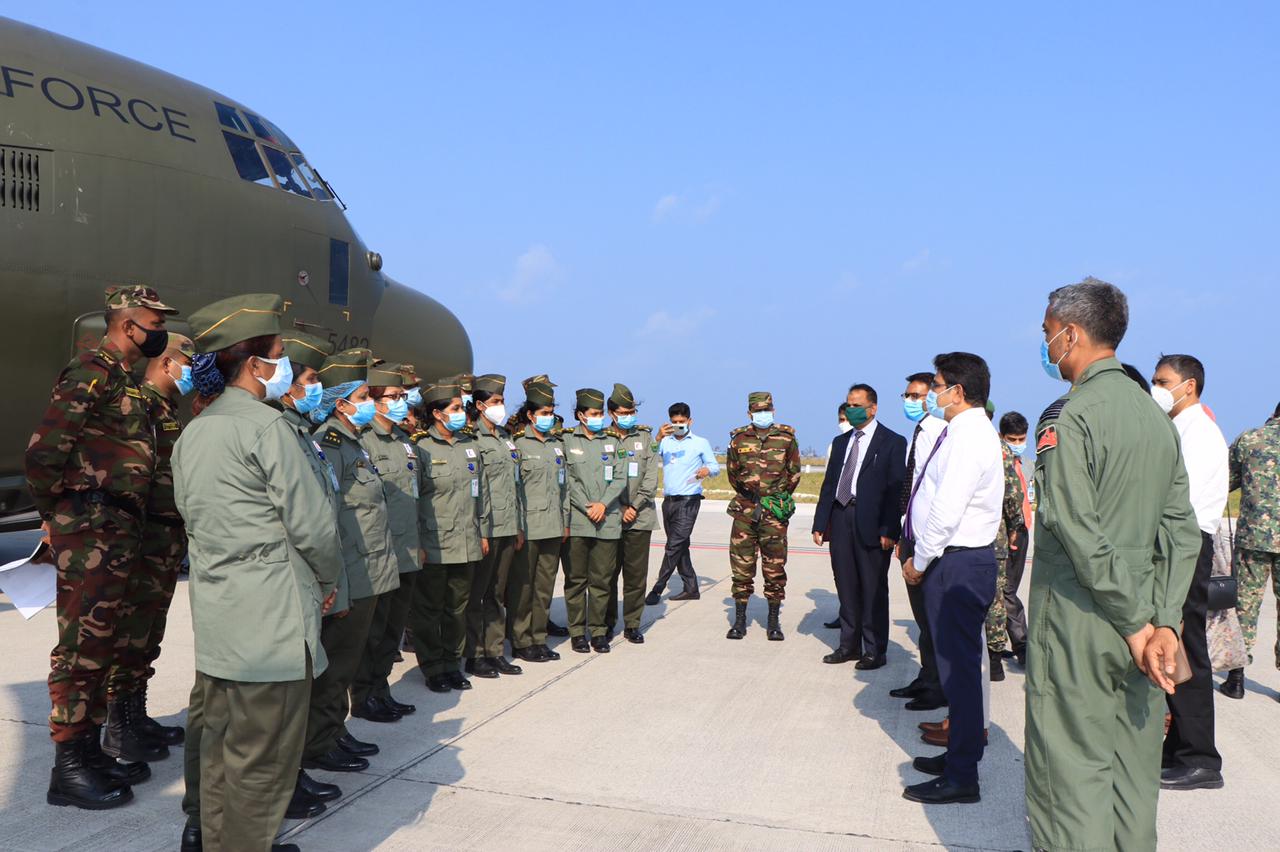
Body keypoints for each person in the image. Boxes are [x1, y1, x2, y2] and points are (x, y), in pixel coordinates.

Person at [1025, 278, 1199, 851]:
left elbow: (1077, 528)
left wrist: (1132, 625)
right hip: (1150, 625)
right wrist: (1165, 624)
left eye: (1047, 333)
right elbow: (1180, 531)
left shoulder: (1070, 417)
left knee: (1070, 781)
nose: (1045, 343)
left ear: (1071, 334)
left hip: (1084, 620)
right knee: (1132, 778)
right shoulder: (1156, 419)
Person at [173, 293, 342, 851]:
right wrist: (327, 580)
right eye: (279, 356)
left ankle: (214, 838)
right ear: (255, 365)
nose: (285, 368)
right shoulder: (268, 430)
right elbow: (313, 526)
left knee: (221, 747)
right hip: (271, 618)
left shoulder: (194, 431)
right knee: (263, 758)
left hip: (221, 613)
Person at [27, 284, 177, 809]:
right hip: (91, 527)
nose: (159, 332)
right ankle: (67, 768)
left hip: (116, 528)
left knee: (102, 646)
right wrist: (60, 516)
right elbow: (45, 452)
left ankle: (89, 754)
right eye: (155, 322)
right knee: (80, 650)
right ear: (129, 324)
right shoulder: (90, 370)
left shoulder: (124, 381)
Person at [899, 353, 1003, 805]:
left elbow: (946, 508)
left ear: (958, 391)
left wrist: (919, 560)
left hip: (957, 561)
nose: (933, 392)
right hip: (955, 559)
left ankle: (962, 777)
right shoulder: (962, 431)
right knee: (955, 668)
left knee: (959, 674)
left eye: (938, 384)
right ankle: (960, 755)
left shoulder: (969, 436)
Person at [302, 350, 399, 775]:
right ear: (341, 403)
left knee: (346, 662)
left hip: (369, 571)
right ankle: (320, 742)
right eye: (362, 396)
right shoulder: (331, 444)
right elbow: (329, 516)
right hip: (349, 574)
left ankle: (334, 731)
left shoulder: (353, 443)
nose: (370, 404)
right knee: (335, 664)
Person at [105, 332, 194, 757]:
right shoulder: (137, 403)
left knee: (148, 634)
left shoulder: (165, 407)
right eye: (187, 363)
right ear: (166, 363)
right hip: (144, 537)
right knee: (130, 635)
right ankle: (120, 729)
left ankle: (136, 717)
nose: (191, 372)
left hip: (165, 537)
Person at [1151, 354, 1227, 790]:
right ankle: (1179, 747)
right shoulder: (1179, 427)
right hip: (1175, 543)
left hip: (1187, 545)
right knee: (1173, 646)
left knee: (1188, 648)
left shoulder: (1200, 434)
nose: (1157, 389)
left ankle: (1201, 759)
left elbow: (1181, 504)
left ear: (1190, 385)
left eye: (1163, 381)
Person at [812, 384, 906, 668]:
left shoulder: (892, 441)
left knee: (873, 588)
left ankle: (874, 650)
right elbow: (829, 486)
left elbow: (895, 490)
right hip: (841, 517)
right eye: (848, 404)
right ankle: (848, 645)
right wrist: (820, 522)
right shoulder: (841, 443)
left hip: (873, 524)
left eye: (856, 404)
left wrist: (890, 530)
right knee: (846, 585)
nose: (851, 409)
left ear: (872, 408)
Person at [351, 361, 423, 720]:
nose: (400, 402)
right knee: (373, 632)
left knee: (393, 629)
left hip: (407, 551)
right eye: (393, 396)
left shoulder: (405, 443)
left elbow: (414, 497)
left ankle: (382, 689)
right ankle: (364, 697)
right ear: (375, 401)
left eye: (402, 396)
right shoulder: (361, 441)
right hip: (378, 553)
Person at [408, 382, 491, 692]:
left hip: (466, 541)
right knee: (430, 609)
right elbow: (413, 500)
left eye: (460, 407)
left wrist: (482, 531)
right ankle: (432, 667)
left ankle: (452, 662)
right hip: (435, 543)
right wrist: (417, 542)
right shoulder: (420, 448)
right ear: (436, 413)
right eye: (455, 408)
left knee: (457, 607)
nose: (460, 413)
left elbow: (480, 493)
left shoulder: (469, 446)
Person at [890, 372, 948, 712]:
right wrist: (904, 534)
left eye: (917, 395)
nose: (910, 401)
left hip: (931, 541)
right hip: (913, 535)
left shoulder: (940, 434)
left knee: (934, 619)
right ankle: (927, 677)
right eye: (907, 395)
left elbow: (937, 496)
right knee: (922, 619)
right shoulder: (920, 432)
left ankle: (938, 686)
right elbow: (912, 491)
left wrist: (923, 545)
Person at [725, 392, 801, 642]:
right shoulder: (738, 439)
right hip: (745, 512)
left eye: (766, 409)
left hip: (774, 515)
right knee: (742, 567)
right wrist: (751, 497)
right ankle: (739, 621)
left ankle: (772, 621)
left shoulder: (786, 437)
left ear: (773, 409)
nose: (762, 414)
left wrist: (775, 498)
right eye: (757, 411)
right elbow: (733, 474)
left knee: (775, 567)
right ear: (749, 413)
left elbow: (794, 473)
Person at [466, 374, 526, 678]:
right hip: (486, 529)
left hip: (507, 526)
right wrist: (480, 530)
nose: (500, 406)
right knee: (477, 594)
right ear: (480, 405)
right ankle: (475, 655)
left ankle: (495, 651)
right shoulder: (472, 439)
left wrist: (517, 525)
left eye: (502, 401)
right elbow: (475, 490)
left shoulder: (505, 437)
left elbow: (514, 486)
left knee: (497, 595)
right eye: (495, 402)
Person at [561, 388, 628, 653]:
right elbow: (567, 480)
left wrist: (603, 504)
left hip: (607, 519)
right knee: (576, 579)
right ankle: (577, 632)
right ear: (580, 415)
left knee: (602, 579)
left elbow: (620, 477)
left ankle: (598, 631)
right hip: (579, 520)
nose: (599, 417)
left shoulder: (612, 441)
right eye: (594, 413)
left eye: (601, 413)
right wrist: (587, 506)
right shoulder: (567, 441)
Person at [1222, 400, 1280, 699]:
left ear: (1273, 415)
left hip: (1253, 538)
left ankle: (1236, 678)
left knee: (1245, 605)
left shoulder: (1250, 439)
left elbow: (1227, 481)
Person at [510, 380, 570, 662]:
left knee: (545, 587)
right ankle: (521, 641)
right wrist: (518, 526)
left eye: (551, 412)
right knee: (524, 587)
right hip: (529, 527)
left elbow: (564, 488)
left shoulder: (557, 446)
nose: (549, 417)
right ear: (531, 416)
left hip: (553, 526)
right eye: (544, 412)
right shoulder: (519, 445)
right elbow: (514, 490)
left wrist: (565, 521)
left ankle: (538, 638)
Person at [602, 383, 659, 644]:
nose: (629, 415)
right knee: (607, 574)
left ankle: (633, 623)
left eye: (632, 411)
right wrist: (619, 507)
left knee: (636, 576)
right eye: (624, 411)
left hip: (640, 516)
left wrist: (634, 506)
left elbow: (650, 477)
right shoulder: (602, 438)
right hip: (609, 517)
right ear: (612, 412)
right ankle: (606, 622)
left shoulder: (645, 438)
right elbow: (599, 481)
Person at [647, 402, 718, 604]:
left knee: (673, 545)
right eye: (674, 422)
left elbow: (715, 466)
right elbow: (649, 455)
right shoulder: (665, 442)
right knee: (680, 546)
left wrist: (707, 470)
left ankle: (657, 588)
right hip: (669, 501)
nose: (678, 425)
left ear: (690, 421)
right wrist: (658, 438)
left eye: (682, 421)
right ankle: (691, 587)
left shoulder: (700, 442)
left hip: (689, 501)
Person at [995, 411, 1032, 667]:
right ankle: (1021, 644)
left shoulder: (1028, 464)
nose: (1017, 443)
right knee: (1005, 591)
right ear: (1002, 436)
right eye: (1012, 438)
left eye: (1021, 438)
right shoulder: (996, 461)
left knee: (1009, 590)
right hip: (1006, 534)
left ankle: (1007, 643)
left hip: (1024, 532)